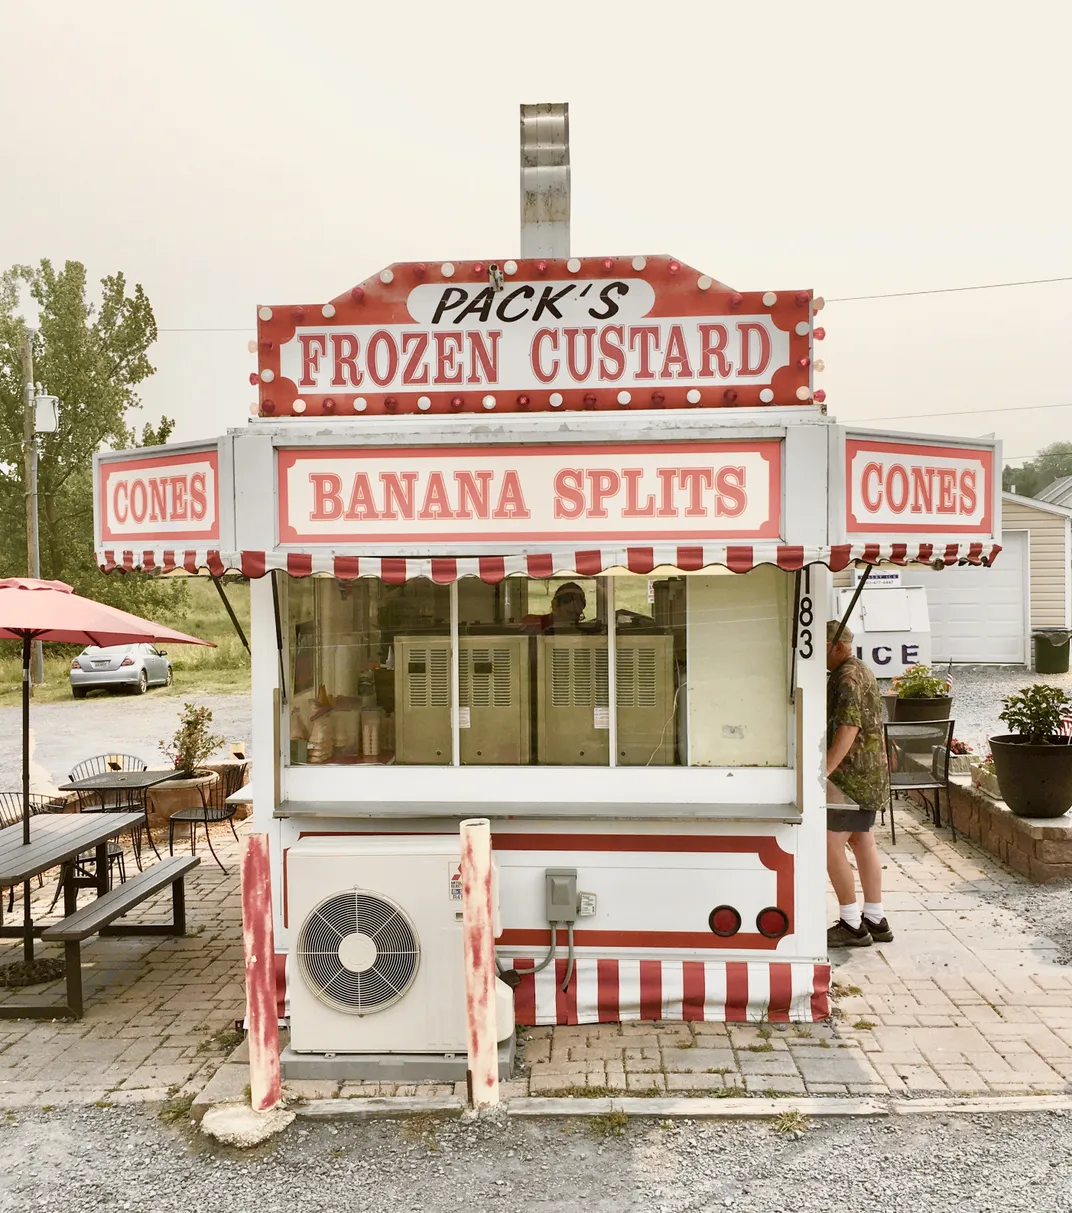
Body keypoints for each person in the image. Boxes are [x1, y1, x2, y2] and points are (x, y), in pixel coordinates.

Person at [826, 620, 893, 947]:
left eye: (823, 647)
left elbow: (849, 727)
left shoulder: (847, 677)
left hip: (850, 778)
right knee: (862, 842)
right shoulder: (862, 669)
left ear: (838, 646)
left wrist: (823, 770)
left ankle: (851, 923)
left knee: (828, 845)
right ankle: (876, 918)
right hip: (871, 775)